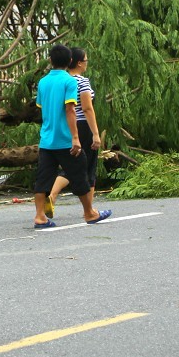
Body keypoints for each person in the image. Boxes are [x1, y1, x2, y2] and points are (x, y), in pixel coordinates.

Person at [32, 44, 111, 229]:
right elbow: (70, 109)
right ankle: (90, 213)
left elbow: (42, 109)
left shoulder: (43, 82)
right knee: (80, 175)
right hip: (65, 139)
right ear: (69, 61)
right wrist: (75, 137)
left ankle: (39, 217)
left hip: (46, 139)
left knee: (43, 179)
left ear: (50, 60)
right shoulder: (70, 82)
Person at [47, 47, 101, 215]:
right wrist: (96, 134)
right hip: (83, 125)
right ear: (78, 63)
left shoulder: (61, 81)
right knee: (89, 165)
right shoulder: (81, 81)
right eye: (86, 61)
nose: (86, 64)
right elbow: (87, 108)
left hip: (67, 126)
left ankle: (52, 195)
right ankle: (89, 209)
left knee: (70, 164)